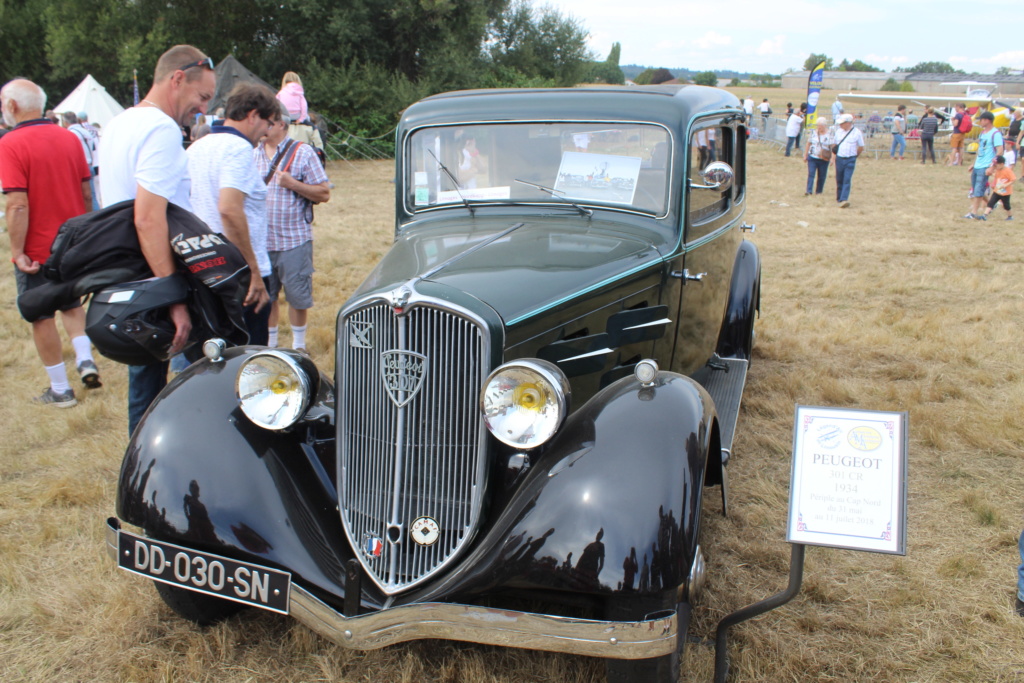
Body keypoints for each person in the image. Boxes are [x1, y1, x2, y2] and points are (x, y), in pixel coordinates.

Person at [98, 44, 216, 434]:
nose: (202, 109)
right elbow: (148, 218)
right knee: (194, 381)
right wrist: (174, 297)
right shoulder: (161, 128)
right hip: (158, 275)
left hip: (130, 273)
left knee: (144, 384)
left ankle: (140, 470)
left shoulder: (119, 123)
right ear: (177, 79)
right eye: (201, 97)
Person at [0, 78, 100, 407]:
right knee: (71, 304)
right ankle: (85, 359)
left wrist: (17, 252)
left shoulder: (10, 143)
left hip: (37, 249)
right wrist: (86, 235)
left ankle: (60, 388)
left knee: (41, 315)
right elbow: (87, 193)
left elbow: (17, 204)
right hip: (72, 242)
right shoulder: (70, 138)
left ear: (12, 106)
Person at [187, 82, 274, 343]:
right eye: (268, 123)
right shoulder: (238, 149)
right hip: (238, 275)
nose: (267, 132)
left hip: (202, 268)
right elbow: (229, 208)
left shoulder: (197, 147)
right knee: (249, 364)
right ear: (253, 115)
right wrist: (254, 273)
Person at [255, 104, 330, 352]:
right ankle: (272, 345)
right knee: (268, 298)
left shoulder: (303, 152)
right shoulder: (252, 153)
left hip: (294, 240)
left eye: (269, 123)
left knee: (297, 297)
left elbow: (323, 192)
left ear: (282, 125)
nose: (263, 128)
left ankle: (299, 346)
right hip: (261, 242)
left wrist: (292, 183)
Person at [964, 111, 1004, 220]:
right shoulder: (982, 133)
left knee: (978, 189)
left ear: (987, 120)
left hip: (986, 165)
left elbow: (1000, 150)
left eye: (981, 120)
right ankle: (992, 204)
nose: (980, 122)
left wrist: (992, 166)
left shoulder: (995, 134)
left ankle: (974, 212)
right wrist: (974, 163)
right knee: (976, 188)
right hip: (978, 164)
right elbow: (980, 150)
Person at [64, 111, 100, 210]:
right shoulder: (87, 131)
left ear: (65, 122)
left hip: (81, 167)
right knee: (92, 196)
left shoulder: (71, 133)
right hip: (91, 164)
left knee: (85, 197)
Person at [833, 113, 864, 208]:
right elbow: (835, 145)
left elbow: (861, 146)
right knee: (839, 178)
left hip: (850, 158)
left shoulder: (857, 132)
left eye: (842, 123)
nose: (840, 125)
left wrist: (854, 156)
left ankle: (844, 199)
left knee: (847, 179)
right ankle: (839, 197)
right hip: (840, 158)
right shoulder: (838, 132)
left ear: (848, 123)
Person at [978, 155, 1014, 221]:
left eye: (996, 164)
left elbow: (1013, 179)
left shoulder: (1008, 171)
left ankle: (1010, 216)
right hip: (997, 190)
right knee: (991, 203)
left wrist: (1006, 185)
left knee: (1006, 205)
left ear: (1002, 164)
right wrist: (993, 183)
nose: (995, 166)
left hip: (1005, 193)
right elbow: (997, 177)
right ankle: (984, 215)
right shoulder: (997, 170)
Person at [803, 117, 833, 195]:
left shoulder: (830, 134)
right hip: (813, 156)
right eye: (818, 125)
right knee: (811, 174)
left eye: (821, 126)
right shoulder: (813, 133)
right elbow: (808, 143)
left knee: (822, 175)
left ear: (825, 126)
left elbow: (833, 147)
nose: (819, 127)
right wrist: (805, 154)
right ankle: (808, 191)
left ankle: (819, 191)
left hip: (824, 158)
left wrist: (833, 158)